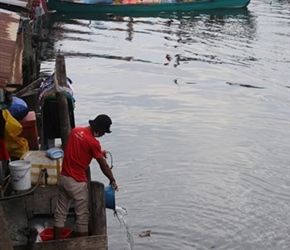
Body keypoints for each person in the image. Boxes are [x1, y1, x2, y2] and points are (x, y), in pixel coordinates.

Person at [53, 114, 118, 239]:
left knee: (60, 214)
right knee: (82, 217)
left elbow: (81, 148)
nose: (103, 135)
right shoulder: (93, 143)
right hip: (77, 182)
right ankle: (85, 246)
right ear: (98, 129)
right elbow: (104, 166)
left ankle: (56, 244)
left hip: (63, 177)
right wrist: (112, 180)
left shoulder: (75, 131)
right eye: (103, 132)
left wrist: (99, 151)